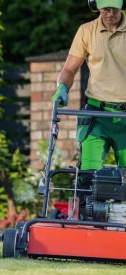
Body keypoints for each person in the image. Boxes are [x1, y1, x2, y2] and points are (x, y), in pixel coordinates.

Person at [51, 0, 126, 215]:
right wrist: (62, 88)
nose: (109, 13)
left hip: (125, 115)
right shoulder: (86, 31)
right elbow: (69, 69)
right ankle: (84, 217)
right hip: (96, 114)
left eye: (113, 8)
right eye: (104, 9)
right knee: (88, 174)